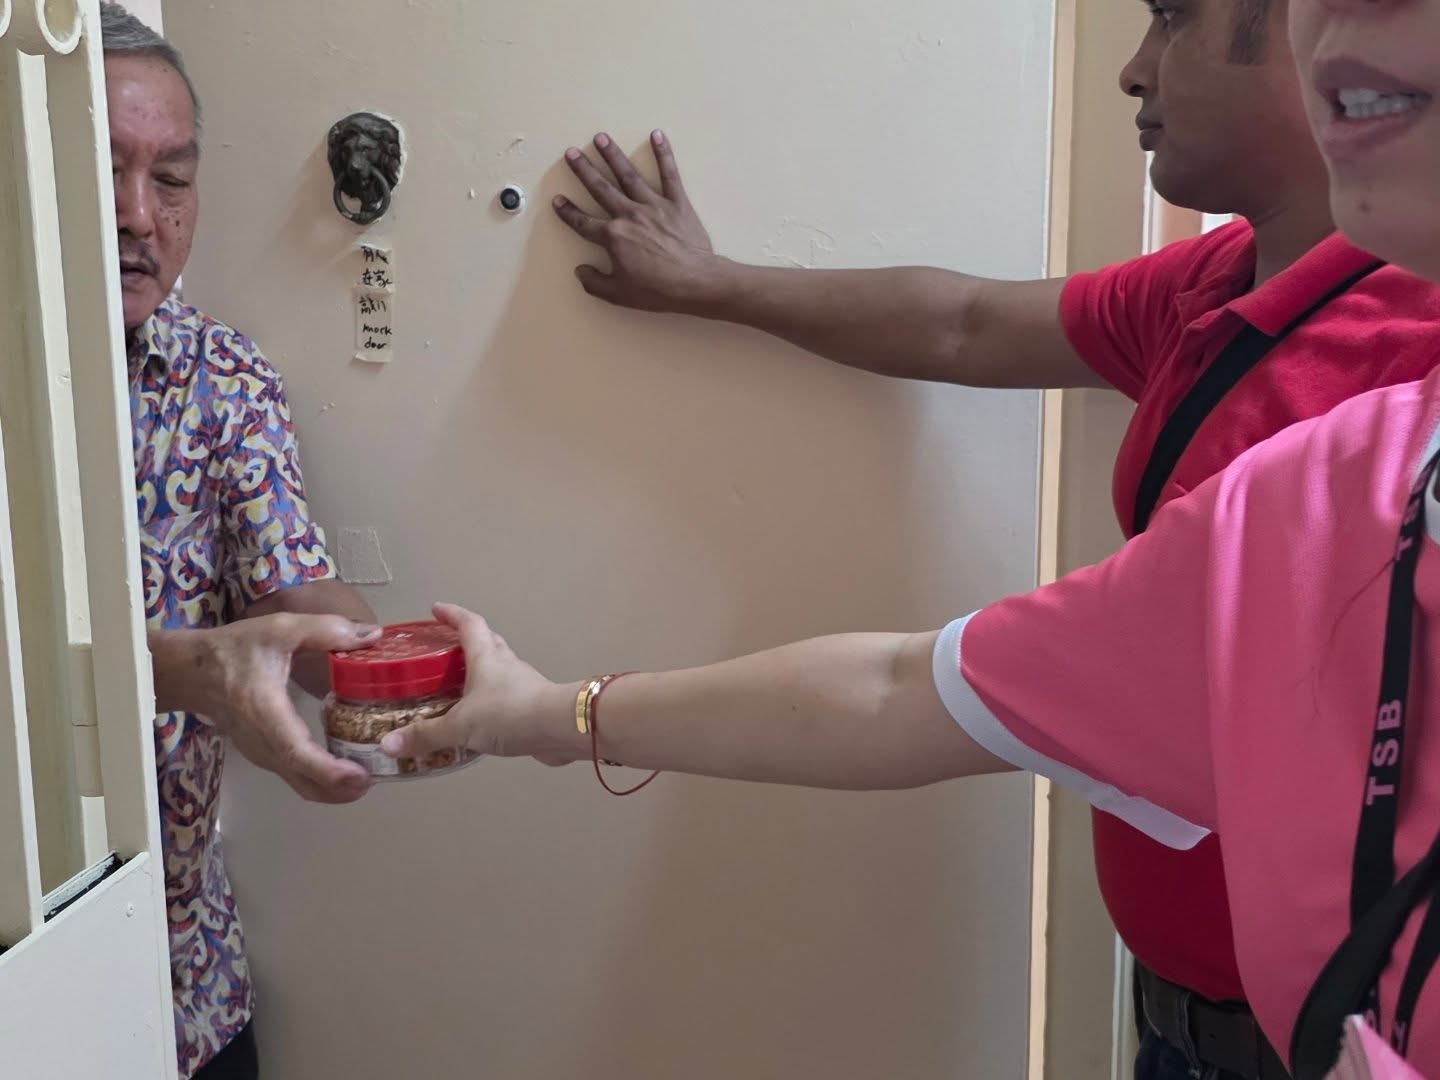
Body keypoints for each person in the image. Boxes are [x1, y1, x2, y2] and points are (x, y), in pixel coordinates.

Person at [386, 0, 1440, 1075]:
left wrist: (545, 715)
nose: (1135, 70)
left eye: (1175, 17)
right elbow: (964, 326)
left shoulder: (1365, 436)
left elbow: (903, 695)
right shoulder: (1243, 341)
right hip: (1199, 1026)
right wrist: (712, 283)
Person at [98, 6, 381, 1078]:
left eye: (171, 178)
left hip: (185, 973)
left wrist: (386, 667)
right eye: (101, 169)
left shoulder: (223, 377)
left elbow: (292, 596)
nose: (138, 213)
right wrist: (190, 670)